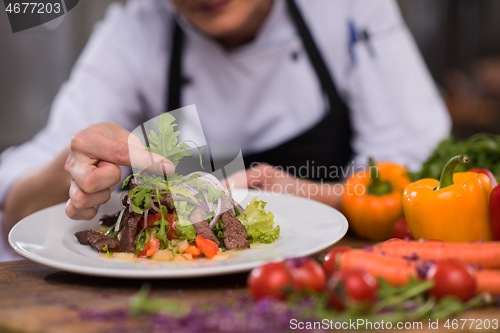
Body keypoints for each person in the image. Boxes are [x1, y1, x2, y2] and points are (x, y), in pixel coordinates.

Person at [0, 0, 450, 261]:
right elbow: (16, 199)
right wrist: (77, 170)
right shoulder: (135, 28)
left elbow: (414, 173)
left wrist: (319, 195)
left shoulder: (347, 9)